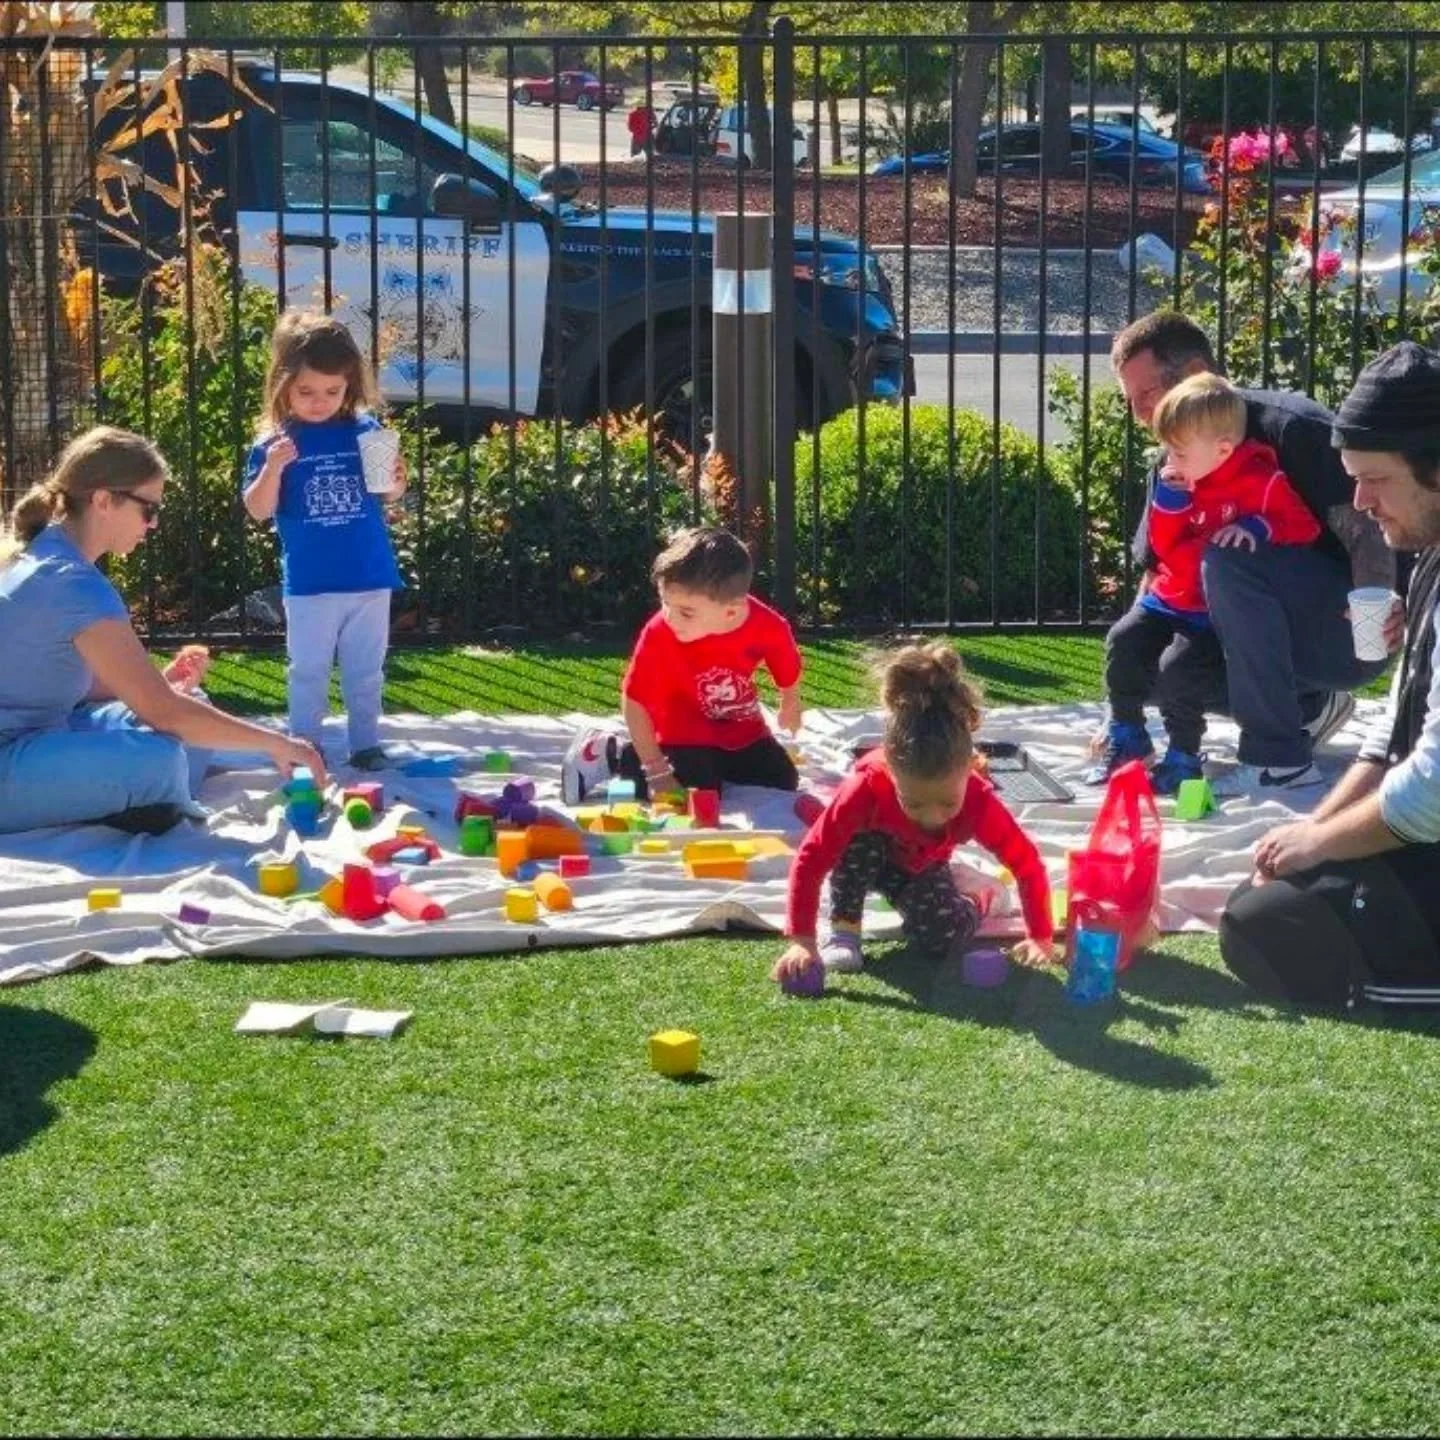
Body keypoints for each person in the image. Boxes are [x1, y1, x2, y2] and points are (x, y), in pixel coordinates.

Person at [1220, 341, 1440, 1005]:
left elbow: (1432, 791)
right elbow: (1394, 732)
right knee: (1266, 902)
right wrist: (1311, 832)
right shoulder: (1430, 557)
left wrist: (1319, 843)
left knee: (1272, 930)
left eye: (1376, 479)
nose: (1360, 501)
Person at [1109, 310, 1394, 791]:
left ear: (1196, 373)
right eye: (1129, 400)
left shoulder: (1293, 428)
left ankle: (1277, 760)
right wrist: (1123, 705)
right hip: (1244, 627)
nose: (1138, 412)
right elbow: (1157, 570)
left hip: (1340, 628)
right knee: (1143, 665)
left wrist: (1372, 633)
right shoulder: (1177, 460)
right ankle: (1308, 707)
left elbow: (1369, 528)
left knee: (1228, 557)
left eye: (1146, 394)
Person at [0, 426, 325, 835]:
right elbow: (164, 712)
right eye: (148, 509)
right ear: (103, 500)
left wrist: (158, 684)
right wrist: (280, 744)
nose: (153, 524)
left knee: (190, 706)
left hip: (45, 733)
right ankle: (141, 798)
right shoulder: (73, 582)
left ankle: (136, 798)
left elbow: (49, 679)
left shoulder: (48, 555)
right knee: (163, 758)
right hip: (13, 758)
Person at [1087, 371, 1321, 794]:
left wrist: (1259, 527)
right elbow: (1163, 546)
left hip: (1211, 610)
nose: (1170, 461)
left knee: (1178, 672)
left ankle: (1183, 754)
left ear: (1223, 449)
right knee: (1123, 642)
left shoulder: (1261, 482)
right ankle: (1128, 734)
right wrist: (1170, 503)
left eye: (1178, 451)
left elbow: (1304, 527)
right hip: (1170, 596)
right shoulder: (1178, 478)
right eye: (1167, 450)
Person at [771, 643, 1054, 982]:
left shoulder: (979, 801)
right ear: (890, 771)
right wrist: (803, 941)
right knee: (856, 840)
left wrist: (1040, 936)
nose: (932, 818)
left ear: (971, 769)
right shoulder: (864, 787)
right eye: (914, 803)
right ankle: (845, 929)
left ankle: (980, 895)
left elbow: (1027, 863)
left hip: (920, 867)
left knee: (943, 936)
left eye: (947, 803)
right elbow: (813, 856)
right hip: (864, 855)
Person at [243, 311, 406, 773]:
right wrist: (273, 469)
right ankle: (305, 745)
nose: (320, 402)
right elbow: (257, 509)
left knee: (365, 671)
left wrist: (398, 480)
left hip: (369, 576)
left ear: (349, 384)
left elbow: (387, 493)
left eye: (332, 391)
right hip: (311, 583)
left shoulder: (366, 430)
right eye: (307, 391)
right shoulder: (274, 442)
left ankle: (366, 744)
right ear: (282, 384)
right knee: (308, 670)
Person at [561, 525, 803, 805]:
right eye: (665, 603)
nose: (671, 618)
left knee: (783, 779)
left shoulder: (766, 624)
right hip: (680, 729)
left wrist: (790, 702)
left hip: (739, 726)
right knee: (700, 791)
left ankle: (709, 765)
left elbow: (784, 658)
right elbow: (634, 699)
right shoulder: (658, 633)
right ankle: (614, 754)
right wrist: (656, 770)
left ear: (731, 612)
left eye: (686, 612)